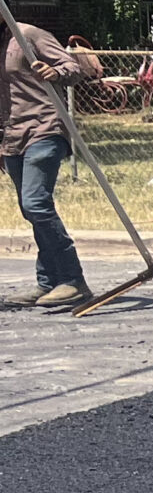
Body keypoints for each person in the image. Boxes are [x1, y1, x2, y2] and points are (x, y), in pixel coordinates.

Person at [3, 17, 102, 308]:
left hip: (44, 128)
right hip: (12, 136)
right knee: (31, 210)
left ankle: (73, 280)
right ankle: (48, 282)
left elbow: (74, 68)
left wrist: (55, 72)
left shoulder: (28, 35)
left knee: (36, 203)